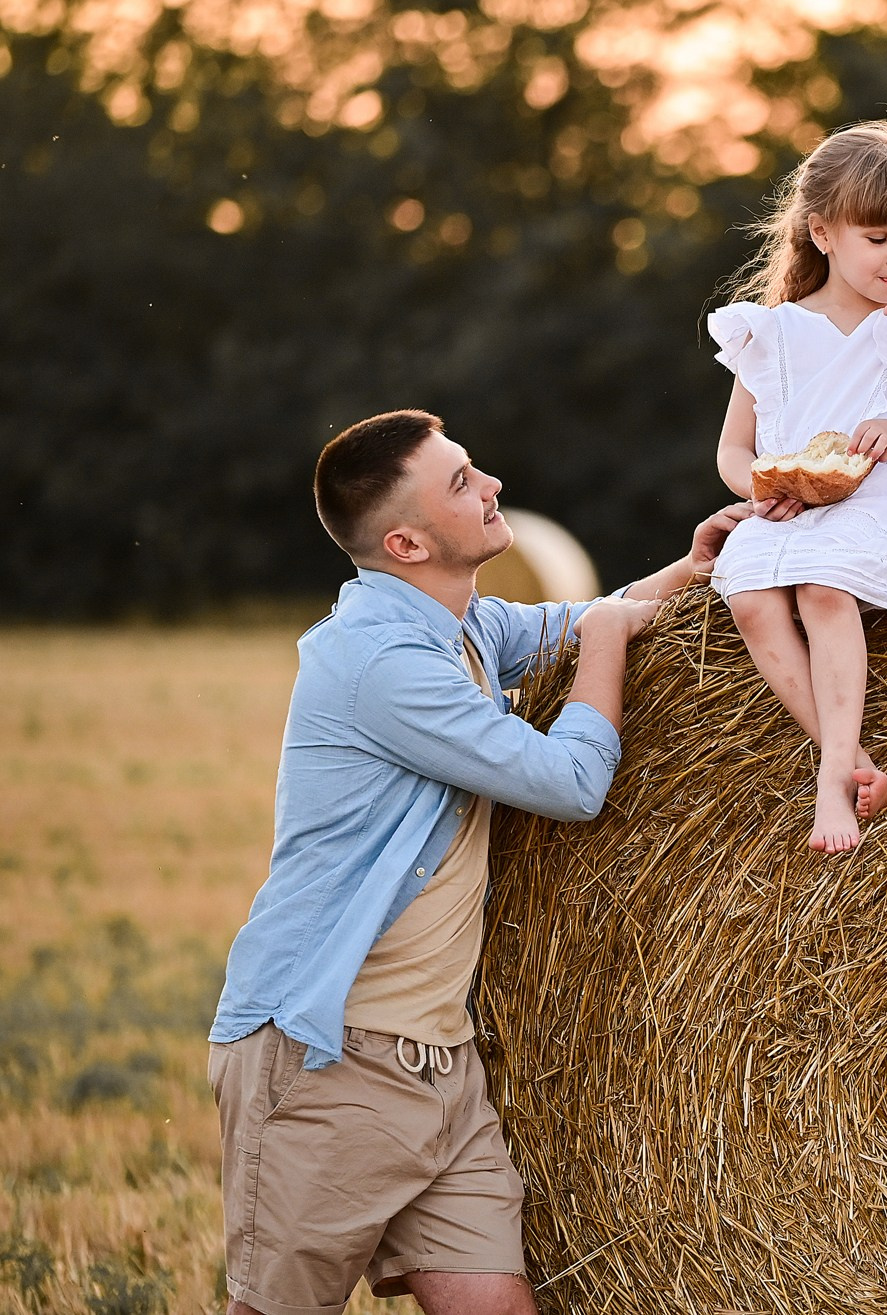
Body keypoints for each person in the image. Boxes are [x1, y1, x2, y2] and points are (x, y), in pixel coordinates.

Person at [209, 409, 750, 1315]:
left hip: (443, 1069)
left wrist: (692, 571)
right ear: (407, 542)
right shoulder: (384, 663)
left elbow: (584, 621)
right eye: (461, 481)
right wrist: (607, 637)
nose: (493, 485)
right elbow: (571, 779)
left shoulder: (461, 628)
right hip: (329, 1061)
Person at [709, 120, 887, 853]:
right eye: (879, 238)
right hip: (789, 509)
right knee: (750, 598)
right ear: (824, 233)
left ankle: (832, 783)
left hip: (879, 504)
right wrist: (759, 484)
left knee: (822, 590)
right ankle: (858, 761)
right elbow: (733, 450)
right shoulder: (771, 332)